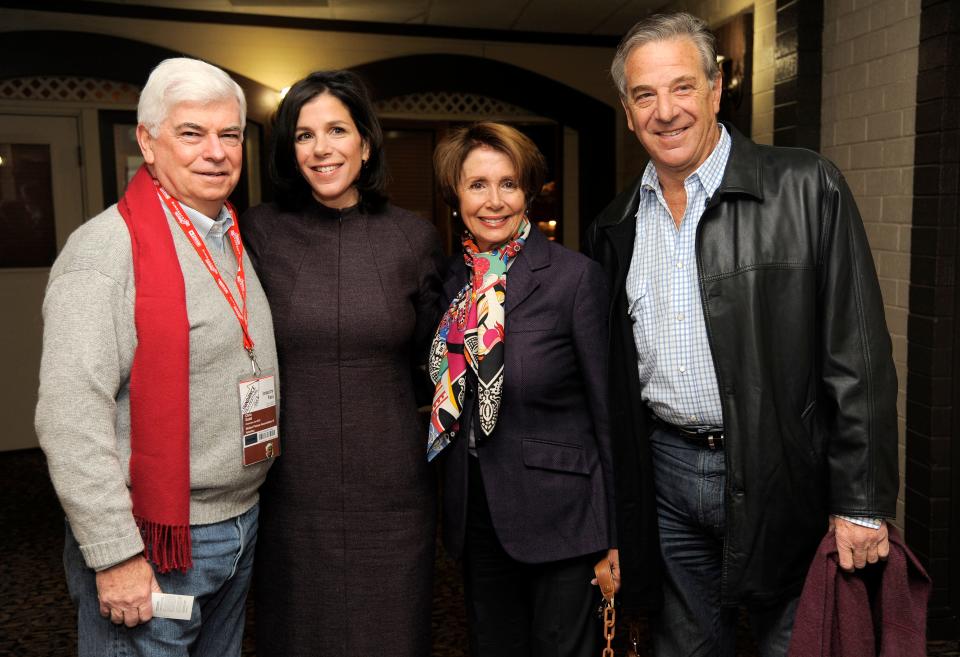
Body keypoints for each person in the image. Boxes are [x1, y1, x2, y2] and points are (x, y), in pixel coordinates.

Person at [584, 12, 899, 657]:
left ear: (715, 88)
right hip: (666, 480)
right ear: (626, 110)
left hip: (786, 476)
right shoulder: (614, 225)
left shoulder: (806, 187)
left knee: (798, 644)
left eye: (681, 87)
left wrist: (861, 502)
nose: (665, 111)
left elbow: (857, 356)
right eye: (645, 95)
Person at [35, 57, 278, 657]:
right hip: (154, 544)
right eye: (191, 133)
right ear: (147, 141)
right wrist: (114, 554)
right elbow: (70, 419)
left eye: (229, 134)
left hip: (238, 523)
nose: (216, 152)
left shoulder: (228, 235)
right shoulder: (106, 251)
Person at [239, 70, 444, 657]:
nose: (322, 148)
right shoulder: (256, 232)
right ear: (289, 149)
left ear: (366, 142)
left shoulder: (413, 238)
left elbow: (433, 363)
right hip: (290, 482)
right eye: (304, 135)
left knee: (393, 635)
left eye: (337, 130)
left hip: (392, 484)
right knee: (298, 633)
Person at [427, 122, 618, 657]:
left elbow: (609, 414)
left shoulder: (574, 278)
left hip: (564, 516)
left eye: (508, 184)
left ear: (529, 192)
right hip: (478, 513)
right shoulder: (452, 282)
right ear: (455, 194)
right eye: (477, 184)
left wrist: (615, 533)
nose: (494, 201)